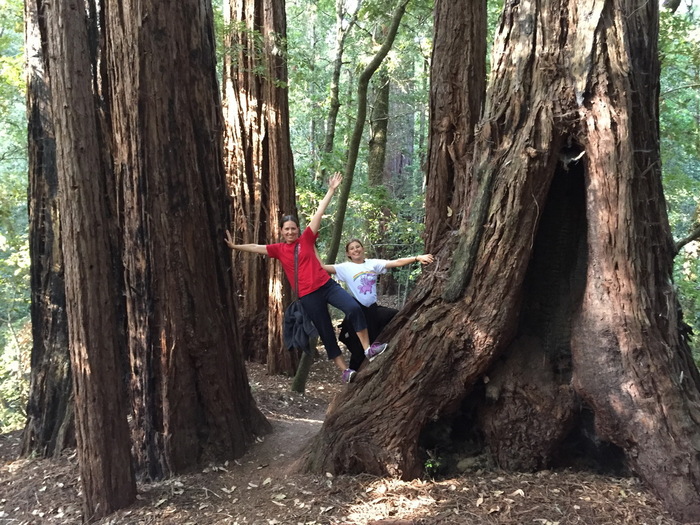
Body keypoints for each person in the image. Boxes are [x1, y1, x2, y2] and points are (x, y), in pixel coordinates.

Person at [224, 173, 384, 384]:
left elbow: (319, 213)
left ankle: (367, 349)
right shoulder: (279, 249)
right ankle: (345, 371)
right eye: (286, 229)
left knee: (353, 308)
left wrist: (331, 190)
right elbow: (256, 247)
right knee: (326, 331)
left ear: (298, 229)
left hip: (326, 286)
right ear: (281, 231)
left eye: (293, 228)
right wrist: (235, 246)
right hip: (308, 296)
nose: (290, 231)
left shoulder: (307, 239)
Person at [323, 239, 434, 371]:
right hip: (358, 311)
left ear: (363, 249)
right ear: (348, 253)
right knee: (359, 350)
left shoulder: (373, 264)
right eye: (352, 248)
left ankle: (384, 353)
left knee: (395, 316)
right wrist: (309, 244)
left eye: (358, 247)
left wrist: (417, 258)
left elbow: (396, 262)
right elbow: (321, 267)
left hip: (373, 309)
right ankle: (354, 376)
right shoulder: (345, 268)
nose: (356, 250)